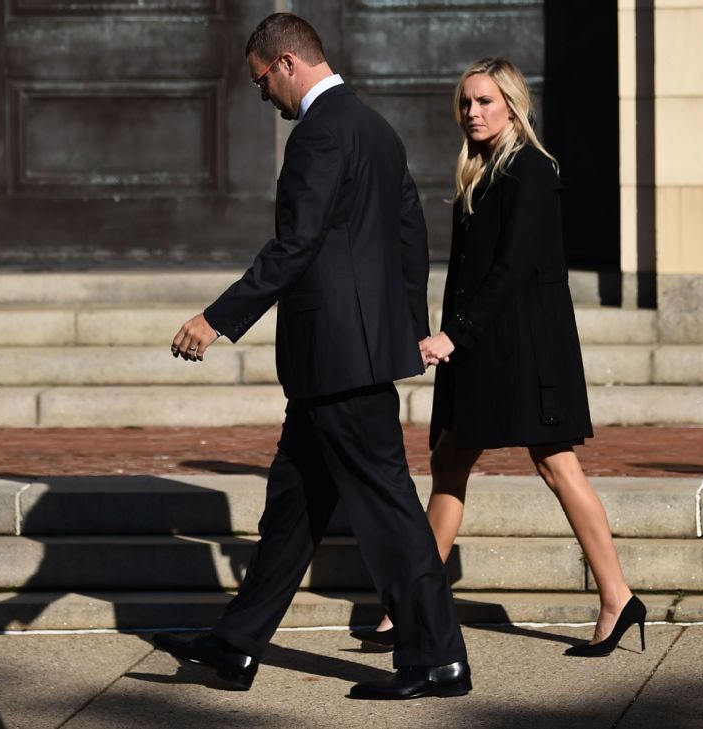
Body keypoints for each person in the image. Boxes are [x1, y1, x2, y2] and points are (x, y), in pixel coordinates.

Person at [156, 13, 471, 699]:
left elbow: (294, 245)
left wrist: (217, 318)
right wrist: (401, 328)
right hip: (347, 356)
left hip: (335, 359)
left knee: (388, 510)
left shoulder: (319, 134)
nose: (264, 96)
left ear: (289, 63)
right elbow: (411, 234)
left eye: (262, 81)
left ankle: (437, 656)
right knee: (292, 509)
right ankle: (236, 646)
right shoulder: (377, 131)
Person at [357, 57, 644, 657]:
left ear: (512, 105)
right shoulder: (480, 171)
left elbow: (513, 271)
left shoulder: (532, 172)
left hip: (526, 350)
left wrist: (451, 336)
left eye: (485, 101)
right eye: (465, 102)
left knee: (556, 465)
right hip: (483, 345)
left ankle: (617, 598)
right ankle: (414, 604)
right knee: (450, 461)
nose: (473, 112)